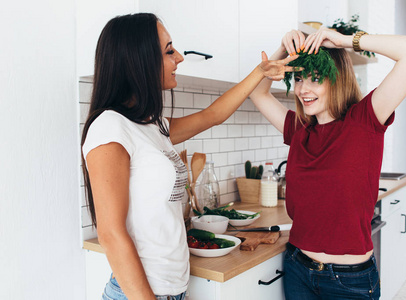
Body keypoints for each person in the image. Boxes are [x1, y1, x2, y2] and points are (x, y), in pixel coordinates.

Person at [81, 13, 297, 300]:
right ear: (138, 60)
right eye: (169, 51)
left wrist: (260, 71)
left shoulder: (151, 125)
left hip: (173, 290)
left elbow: (213, 115)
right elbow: (111, 234)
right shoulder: (110, 127)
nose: (179, 57)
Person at [249, 27, 406, 299]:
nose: (302, 89)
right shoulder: (298, 129)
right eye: (298, 78)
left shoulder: (364, 120)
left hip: (349, 281)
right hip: (298, 268)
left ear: (337, 79)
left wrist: (345, 41)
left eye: (316, 78)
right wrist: (283, 52)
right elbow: (257, 93)